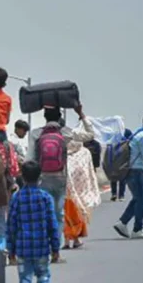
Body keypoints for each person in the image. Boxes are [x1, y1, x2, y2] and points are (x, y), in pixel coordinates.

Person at [27, 105, 94, 258]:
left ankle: (43, 247)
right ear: (59, 117)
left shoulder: (36, 134)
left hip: (43, 178)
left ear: (44, 116)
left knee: (43, 213)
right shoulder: (66, 133)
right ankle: (55, 250)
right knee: (58, 214)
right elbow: (90, 134)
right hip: (61, 178)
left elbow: (30, 159)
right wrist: (81, 113)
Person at [7, 161, 60, 283]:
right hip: (42, 247)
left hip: (23, 248)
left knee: (25, 279)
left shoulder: (17, 198)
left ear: (22, 177)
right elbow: (53, 223)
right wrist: (55, 247)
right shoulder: (45, 198)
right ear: (40, 177)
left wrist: (11, 249)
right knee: (43, 276)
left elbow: (11, 225)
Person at [62, 132, 101, 249]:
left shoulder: (65, 153)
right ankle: (75, 240)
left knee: (68, 215)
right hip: (82, 191)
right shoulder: (85, 153)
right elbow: (90, 171)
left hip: (68, 190)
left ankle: (68, 241)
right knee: (78, 214)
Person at [110, 129, 132, 201]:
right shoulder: (114, 133)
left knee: (122, 179)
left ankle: (121, 195)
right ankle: (114, 194)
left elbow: (131, 143)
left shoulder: (127, 132)